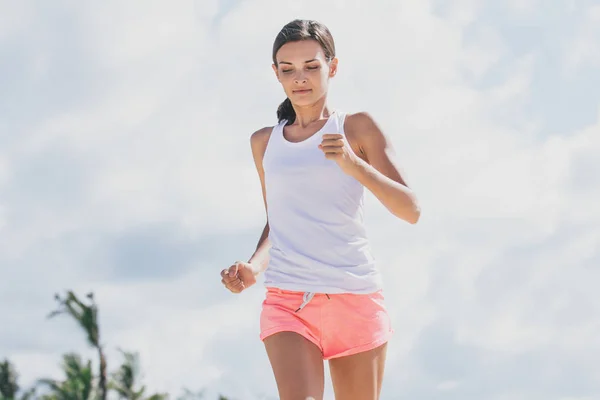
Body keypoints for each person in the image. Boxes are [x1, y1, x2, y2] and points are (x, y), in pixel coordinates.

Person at [220, 19, 420, 400]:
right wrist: (253, 267)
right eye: (288, 69)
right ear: (276, 74)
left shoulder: (358, 128)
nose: (300, 78)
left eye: (311, 66)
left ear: (332, 66)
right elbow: (276, 223)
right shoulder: (264, 142)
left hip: (355, 297)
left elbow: (411, 210)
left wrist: (354, 165)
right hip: (287, 300)